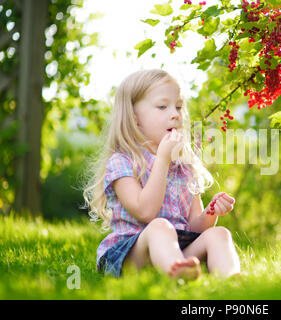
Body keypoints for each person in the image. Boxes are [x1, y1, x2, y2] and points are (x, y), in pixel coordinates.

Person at [83, 69, 241, 280]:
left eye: (178, 106)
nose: (175, 114)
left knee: (219, 234)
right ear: (134, 117)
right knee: (159, 226)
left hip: (179, 248)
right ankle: (178, 271)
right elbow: (146, 211)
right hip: (132, 255)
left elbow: (195, 227)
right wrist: (163, 160)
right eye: (162, 107)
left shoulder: (185, 166)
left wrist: (211, 212)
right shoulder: (122, 162)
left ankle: (231, 278)